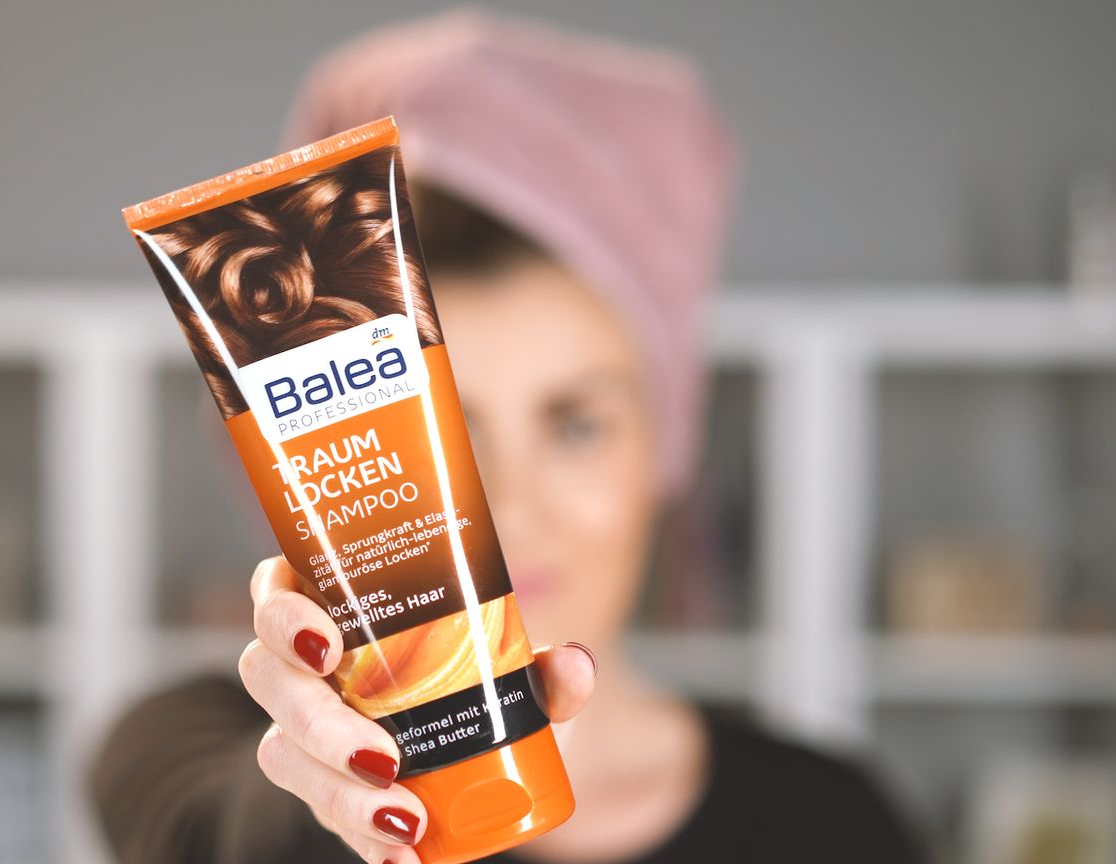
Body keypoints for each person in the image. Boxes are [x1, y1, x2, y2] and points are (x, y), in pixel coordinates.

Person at [93, 10, 925, 864]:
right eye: (444, 431)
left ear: (665, 445)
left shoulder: (834, 823)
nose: (508, 509)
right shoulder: (178, 751)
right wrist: (339, 798)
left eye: (577, 425)